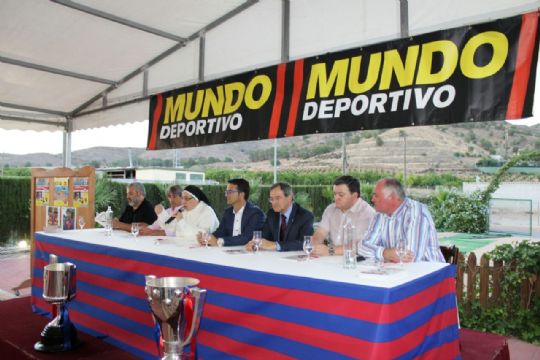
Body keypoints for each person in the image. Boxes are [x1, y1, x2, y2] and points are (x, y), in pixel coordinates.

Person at [362, 178, 445, 263]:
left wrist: (380, 253)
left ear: (392, 197)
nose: (372, 199)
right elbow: (362, 247)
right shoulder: (380, 215)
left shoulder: (417, 212)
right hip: (397, 271)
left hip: (432, 272)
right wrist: (385, 253)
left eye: (376, 195)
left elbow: (410, 257)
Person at [312, 175, 375, 256]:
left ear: (354, 196)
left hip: (355, 262)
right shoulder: (330, 209)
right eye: (334, 194)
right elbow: (320, 233)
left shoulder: (367, 214)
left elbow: (359, 246)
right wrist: (314, 244)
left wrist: (330, 250)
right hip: (330, 259)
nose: (336, 198)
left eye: (341, 195)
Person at [245, 182, 314, 252]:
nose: (274, 202)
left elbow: (304, 242)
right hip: (274, 258)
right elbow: (265, 236)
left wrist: (276, 245)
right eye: (271, 199)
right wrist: (255, 243)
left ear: (289, 198)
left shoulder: (305, 216)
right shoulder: (272, 214)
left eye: (278, 198)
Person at [197, 178, 265, 247]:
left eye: (230, 192)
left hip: (248, 253)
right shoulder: (228, 212)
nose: (226, 195)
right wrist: (206, 237)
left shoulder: (255, 213)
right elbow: (220, 232)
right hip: (228, 252)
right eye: (226, 192)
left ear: (241, 195)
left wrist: (220, 241)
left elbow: (247, 238)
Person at [154, 185, 219, 246]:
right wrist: (161, 214)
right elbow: (170, 227)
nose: (183, 202)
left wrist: (181, 221)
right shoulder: (184, 211)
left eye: (186, 198)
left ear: (196, 199)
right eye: (182, 198)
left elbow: (202, 235)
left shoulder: (207, 211)